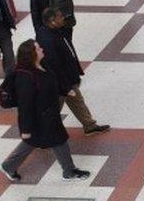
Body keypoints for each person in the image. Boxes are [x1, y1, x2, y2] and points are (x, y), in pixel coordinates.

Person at [0, 40, 92, 182]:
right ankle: (69, 171)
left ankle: (9, 166)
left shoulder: (42, 65)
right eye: (38, 48)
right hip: (40, 117)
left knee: (37, 142)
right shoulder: (25, 77)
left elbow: (52, 82)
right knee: (56, 140)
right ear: (31, 54)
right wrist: (26, 129)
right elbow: (25, 106)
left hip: (49, 113)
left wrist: (65, 90)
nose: (41, 49)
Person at [36, 8, 111, 136]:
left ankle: (90, 126)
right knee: (53, 108)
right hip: (59, 83)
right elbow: (55, 66)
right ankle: (40, 133)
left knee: (77, 102)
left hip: (67, 78)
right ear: (52, 21)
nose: (63, 18)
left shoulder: (53, 31)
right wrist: (66, 86)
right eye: (60, 16)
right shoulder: (48, 39)